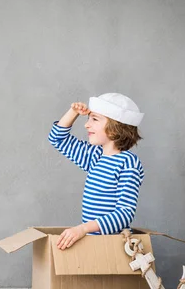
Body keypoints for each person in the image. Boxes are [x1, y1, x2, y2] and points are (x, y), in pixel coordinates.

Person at [48, 93, 145, 250]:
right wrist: (73, 112)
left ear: (115, 128)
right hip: (92, 242)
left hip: (114, 246)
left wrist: (83, 228)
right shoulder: (95, 156)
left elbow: (124, 213)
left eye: (94, 119)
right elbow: (57, 138)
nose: (86, 125)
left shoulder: (128, 163)